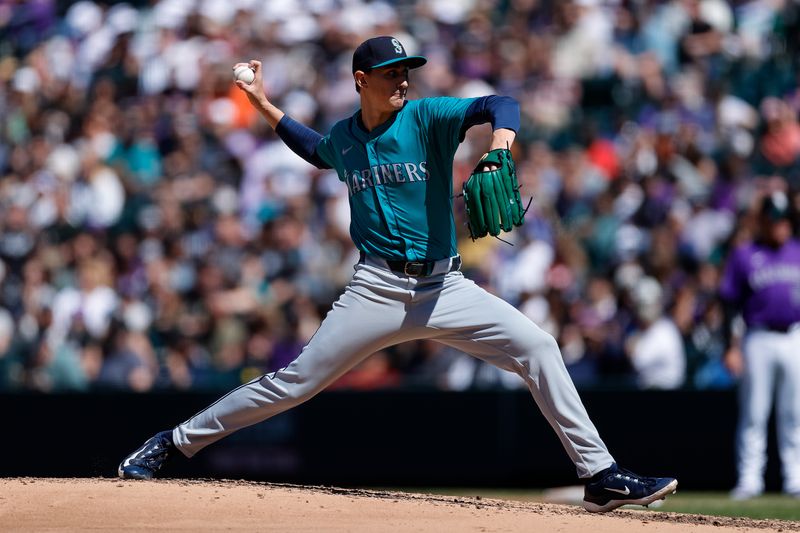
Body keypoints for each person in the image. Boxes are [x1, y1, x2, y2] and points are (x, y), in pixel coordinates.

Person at [118, 36, 677, 513]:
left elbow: (500, 103)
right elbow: (315, 150)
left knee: (539, 347)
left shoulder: (428, 117)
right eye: (391, 73)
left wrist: (499, 146)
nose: (403, 80)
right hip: (377, 288)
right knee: (294, 383)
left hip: (445, 286)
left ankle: (600, 477)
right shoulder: (347, 138)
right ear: (362, 80)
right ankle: (172, 443)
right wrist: (263, 104)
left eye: (406, 71)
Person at [720, 189, 800, 500]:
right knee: (754, 412)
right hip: (758, 336)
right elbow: (728, 303)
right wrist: (731, 345)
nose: (779, 227)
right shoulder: (745, 254)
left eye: (783, 221)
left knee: (794, 412)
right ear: (763, 222)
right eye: (773, 221)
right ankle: (749, 479)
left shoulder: (797, 250)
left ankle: (795, 477)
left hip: (794, 334)